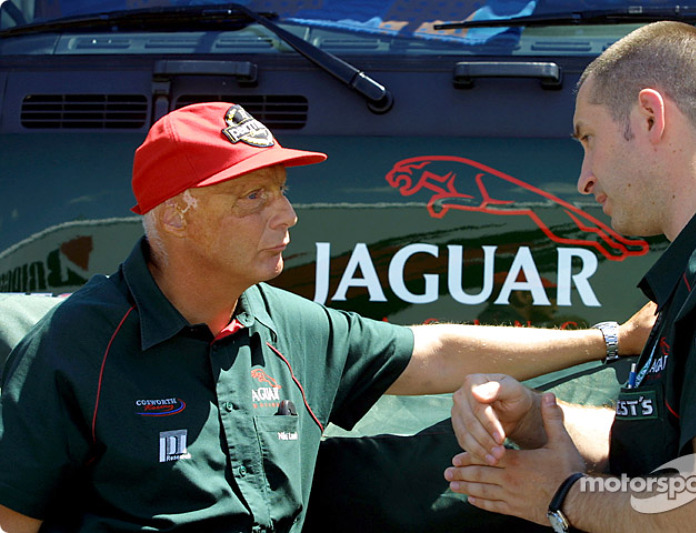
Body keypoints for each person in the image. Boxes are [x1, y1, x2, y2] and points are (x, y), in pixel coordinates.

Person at [0, 101, 654, 533]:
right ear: (177, 214)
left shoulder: (288, 327)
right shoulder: (75, 347)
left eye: (282, 194)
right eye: (253, 197)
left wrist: (611, 337)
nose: (286, 218)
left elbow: (434, 353)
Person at [445, 20, 696, 532]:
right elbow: (667, 444)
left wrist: (566, 496)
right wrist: (531, 418)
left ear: (651, 115)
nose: (584, 177)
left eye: (589, 138)